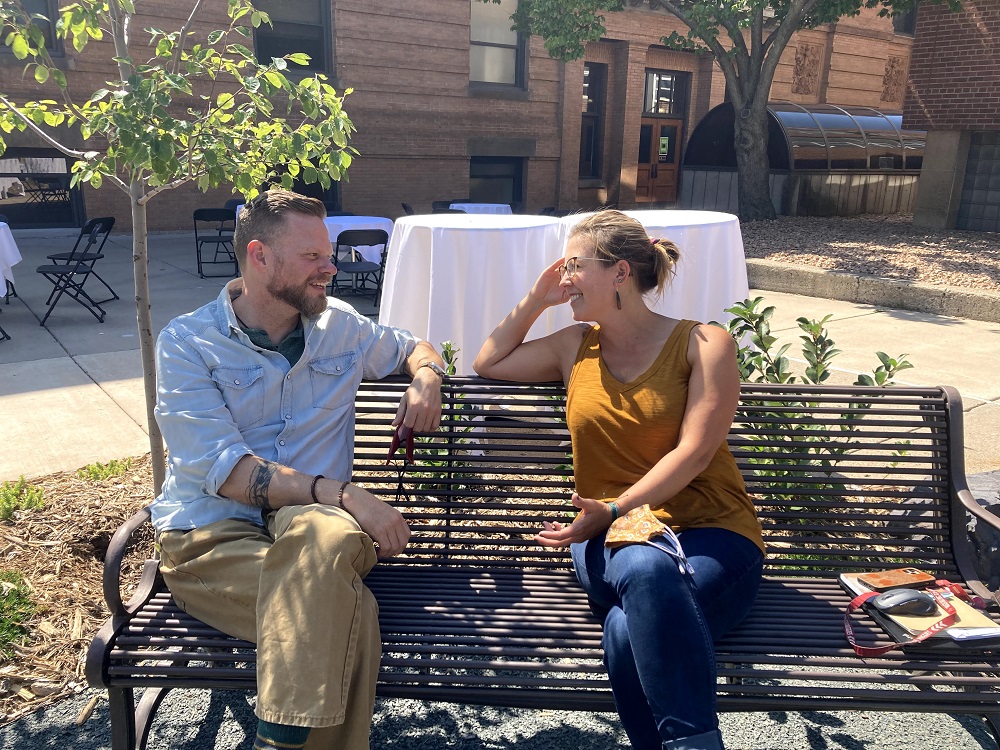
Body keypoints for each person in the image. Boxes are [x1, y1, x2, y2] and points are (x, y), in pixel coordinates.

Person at [150, 189, 446, 750]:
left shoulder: (343, 326)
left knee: (321, 534)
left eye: (328, 254)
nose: (331, 267)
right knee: (343, 602)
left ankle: (277, 739)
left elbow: (414, 346)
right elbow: (230, 474)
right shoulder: (188, 342)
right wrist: (347, 494)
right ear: (259, 256)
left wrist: (427, 376)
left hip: (317, 526)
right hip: (212, 536)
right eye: (313, 256)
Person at [473, 209, 764, 750]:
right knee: (643, 563)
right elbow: (488, 361)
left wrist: (616, 508)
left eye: (576, 266)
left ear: (621, 274)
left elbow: (697, 452)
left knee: (627, 628)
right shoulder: (572, 346)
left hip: (713, 534)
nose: (566, 278)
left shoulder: (704, 344)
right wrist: (538, 300)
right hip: (605, 536)